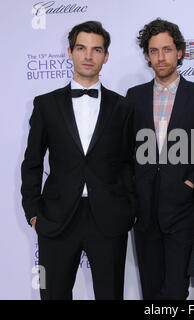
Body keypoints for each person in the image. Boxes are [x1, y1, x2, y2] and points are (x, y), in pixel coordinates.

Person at [21, 21, 136, 300]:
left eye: (96, 50)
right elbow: (32, 162)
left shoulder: (123, 107)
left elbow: (131, 164)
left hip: (108, 220)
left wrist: (129, 210)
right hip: (57, 218)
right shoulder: (45, 104)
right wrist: (34, 213)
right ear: (70, 52)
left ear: (106, 56)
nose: (88, 56)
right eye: (81, 48)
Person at [126, 18, 194, 299]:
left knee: (176, 290)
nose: (161, 57)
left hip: (182, 209)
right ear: (147, 56)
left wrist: (190, 181)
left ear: (179, 52)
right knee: (151, 291)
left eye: (166, 49)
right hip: (145, 209)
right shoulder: (134, 96)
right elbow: (127, 151)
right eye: (154, 51)